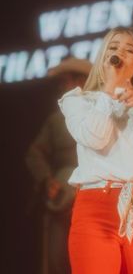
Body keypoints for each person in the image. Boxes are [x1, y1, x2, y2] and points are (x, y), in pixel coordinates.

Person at [58, 27, 133, 274]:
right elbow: (95, 138)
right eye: (112, 48)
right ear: (103, 58)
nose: (119, 53)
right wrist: (109, 92)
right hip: (94, 209)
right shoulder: (78, 101)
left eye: (129, 49)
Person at [25, 57, 92, 274]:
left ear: (80, 81)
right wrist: (47, 180)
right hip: (63, 199)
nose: (62, 87)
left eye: (66, 82)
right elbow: (34, 153)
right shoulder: (56, 120)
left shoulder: (101, 112)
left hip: (94, 197)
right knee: (57, 260)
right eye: (61, 83)